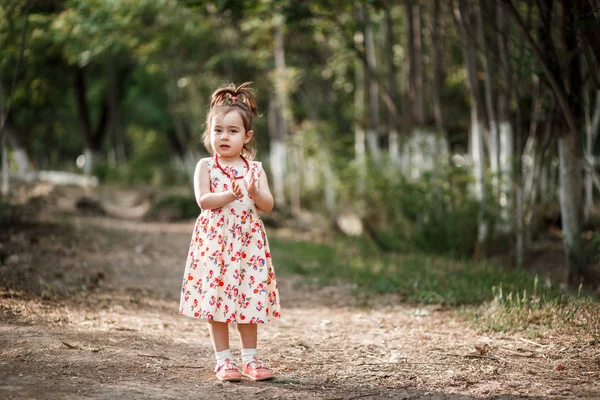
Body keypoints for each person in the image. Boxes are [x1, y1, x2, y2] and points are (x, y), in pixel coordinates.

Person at [179, 82, 281, 382]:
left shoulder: (255, 169)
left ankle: (250, 359)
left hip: (248, 245)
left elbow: (268, 204)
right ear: (209, 134)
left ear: (247, 136)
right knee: (217, 301)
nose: (224, 137)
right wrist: (230, 196)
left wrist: (251, 190)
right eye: (218, 130)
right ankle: (224, 361)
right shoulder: (205, 166)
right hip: (215, 243)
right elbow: (203, 200)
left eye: (233, 131)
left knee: (249, 299)